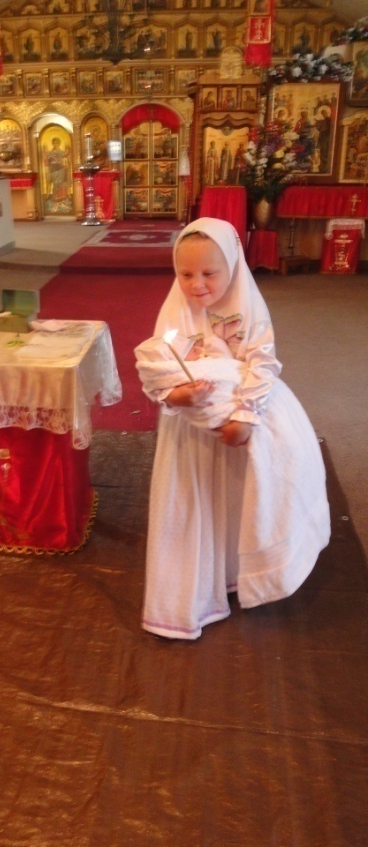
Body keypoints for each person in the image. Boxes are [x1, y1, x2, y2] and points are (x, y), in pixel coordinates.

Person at [135, 218, 330, 640]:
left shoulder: (249, 308)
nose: (197, 285)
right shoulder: (175, 311)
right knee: (198, 501)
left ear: (233, 268)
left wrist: (243, 416)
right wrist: (177, 395)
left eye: (209, 273)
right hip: (192, 431)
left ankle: (239, 568)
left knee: (239, 497)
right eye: (185, 274)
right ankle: (193, 587)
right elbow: (159, 371)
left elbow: (263, 363)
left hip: (240, 418)